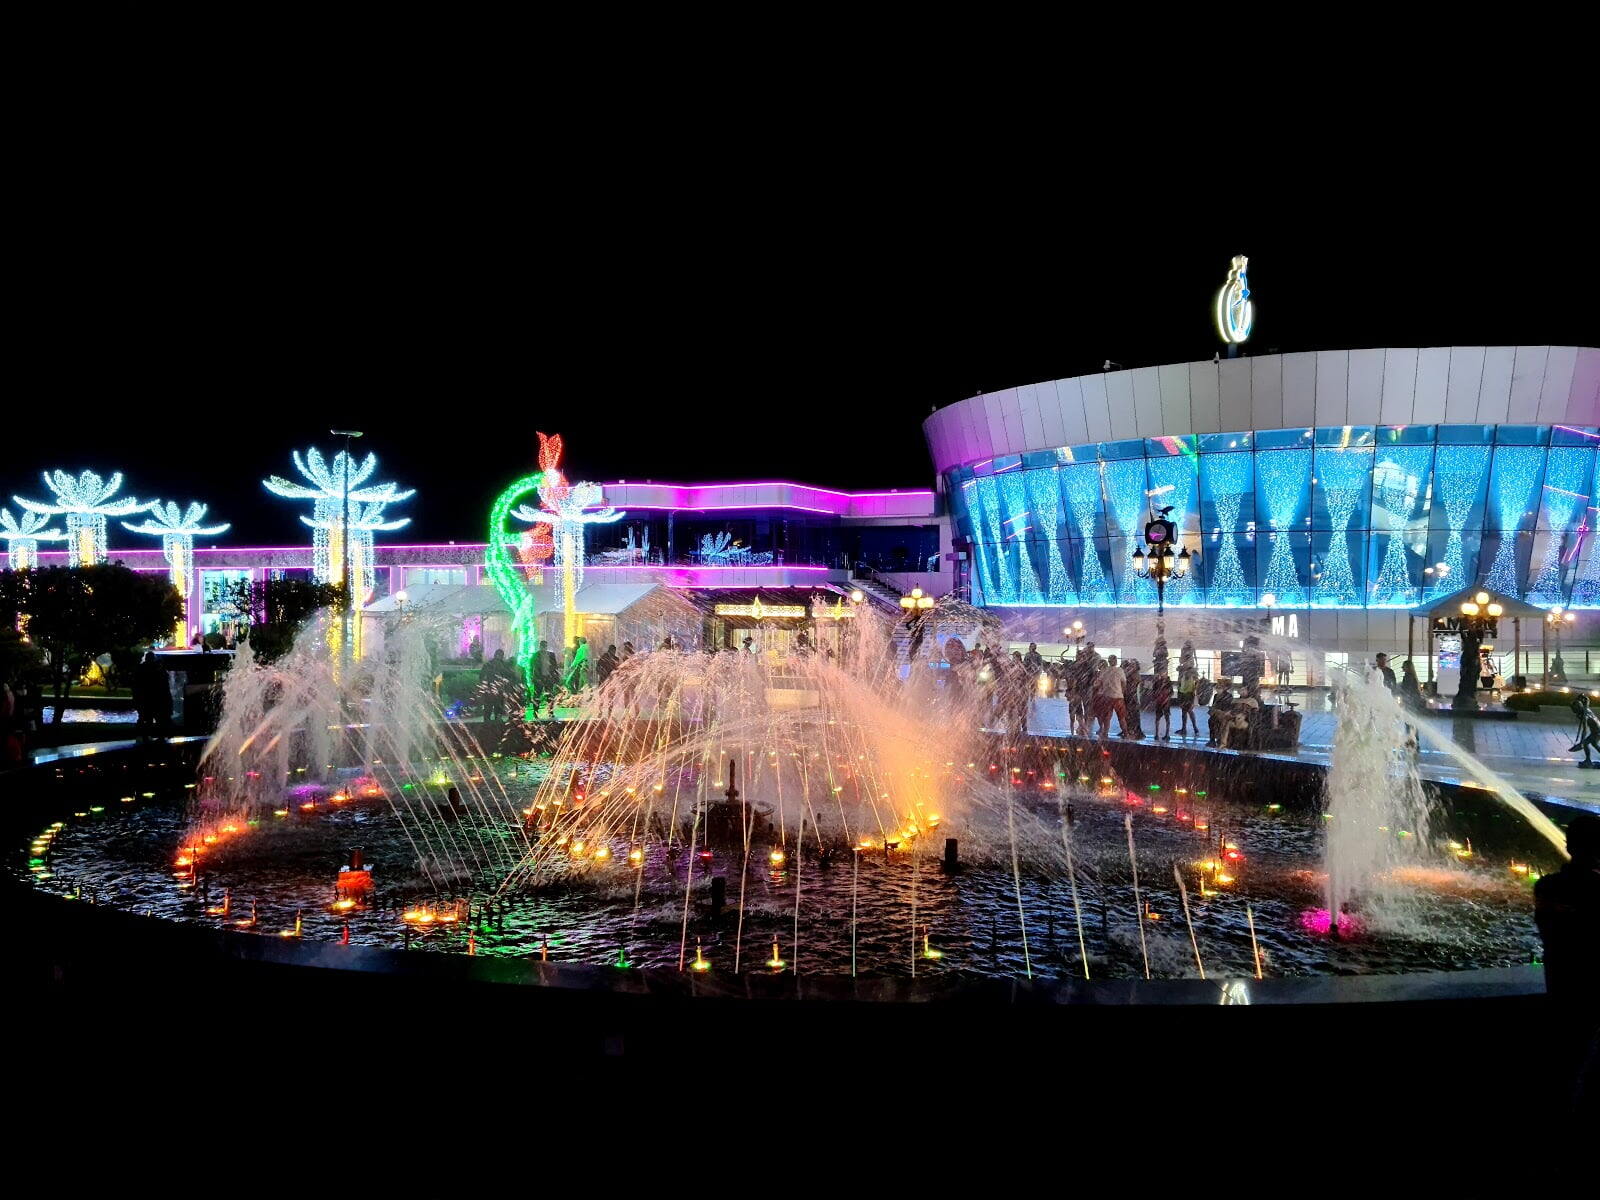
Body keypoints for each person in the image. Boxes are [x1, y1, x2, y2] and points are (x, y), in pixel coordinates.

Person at [1533, 811, 1600, 1106]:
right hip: (1590, 996)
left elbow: (1550, 930)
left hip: (1559, 989)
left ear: (1569, 846)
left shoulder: (1547, 887)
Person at [1094, 654, 1128, 742]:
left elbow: (1098, 683)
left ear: (1109, 661)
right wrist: (1122, 692)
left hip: (1107, 697)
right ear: (1116, 661)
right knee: (1121, 718)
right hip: (1118, 697)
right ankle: (1126, 734)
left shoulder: (1104, 671)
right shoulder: (1120, 670)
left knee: (1107, 718)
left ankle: (1105, 733)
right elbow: (1124, 683)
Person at [1569, 696, 1600, 766]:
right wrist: (1581, 696)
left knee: (1586, 743)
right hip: (1596, 730)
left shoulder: (1584, 716)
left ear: (1578, 708)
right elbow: (1587, 699)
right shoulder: (1585, 708)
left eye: (1574, 709)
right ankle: (1588, 760)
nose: (1573, 711)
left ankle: (1588, 760)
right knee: (1594, 744)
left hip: (1597, 732)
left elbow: (1585, 730)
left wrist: (1581, 742)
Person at [532, 640, 560, 717]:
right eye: (543, 646)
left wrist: (554, 676)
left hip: (548, 678)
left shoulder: (551, 655)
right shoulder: (536, 655)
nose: (544, 647)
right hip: (539, 678)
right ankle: (535, 712)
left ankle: (550, 712)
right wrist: (534, 677)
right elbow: (532, 667)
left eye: (545, 646)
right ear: (540, 646)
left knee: (549, 696)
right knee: (537, 695)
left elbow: (555, 666)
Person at [1121, 657, 1145, 740]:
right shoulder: (1128, 672)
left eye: (1133, 664)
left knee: (1133, 714)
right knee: (1126, 714)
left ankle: (1134, 730)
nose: (1131, 665)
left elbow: (1136, 685)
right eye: (1130, 664)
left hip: (1133, 697)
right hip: (1127, 695)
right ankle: (1128, 729)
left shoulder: (1136, 674)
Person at [1176, 665, 1199, 740]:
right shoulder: (1183, 677)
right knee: (1185, 712)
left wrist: (1192, 701)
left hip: (1188, 696)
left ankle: (1193, 728)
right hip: (1184, 695)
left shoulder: (1190, 677)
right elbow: (1179, 688)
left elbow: (1193, 690)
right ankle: (1185, 728)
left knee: (1188, 712)